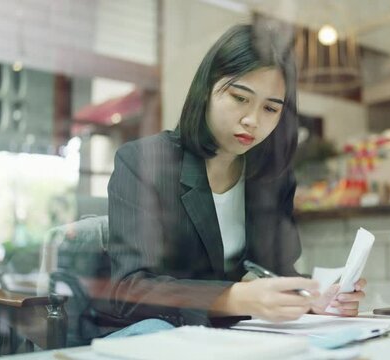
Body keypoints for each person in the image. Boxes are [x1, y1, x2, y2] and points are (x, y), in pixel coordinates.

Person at [106, 23, 366, 334]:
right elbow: (131, 289)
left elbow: (273, 273)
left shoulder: (272, 178)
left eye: (270, 108)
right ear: (206, 91)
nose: (252, 121)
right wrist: (236, 297)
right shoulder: (143, 162)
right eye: (240, 98)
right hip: (155, 335)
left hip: (235, 337)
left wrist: (312, 298)